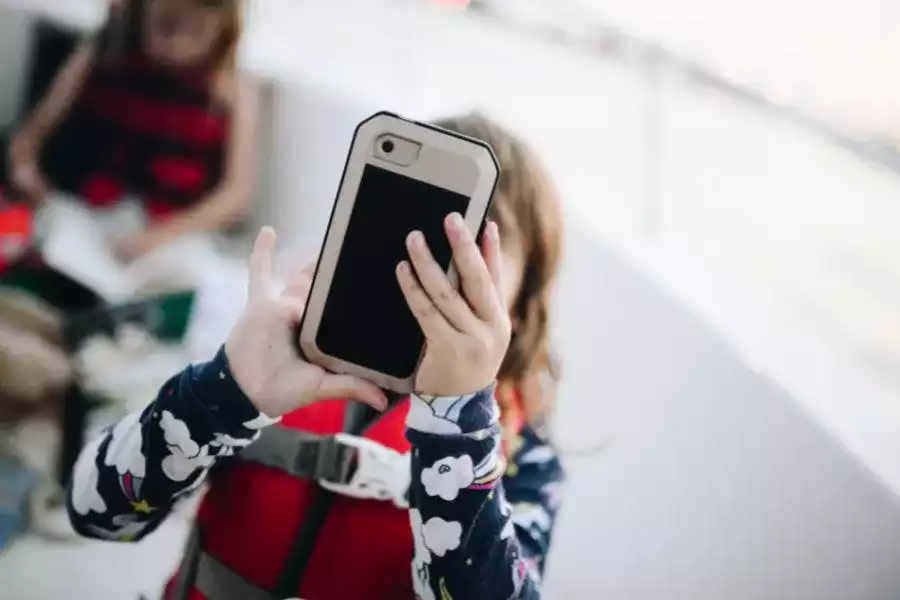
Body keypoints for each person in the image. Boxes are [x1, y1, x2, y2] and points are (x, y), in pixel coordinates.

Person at [67, 115, 565, 600]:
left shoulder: (526, 462)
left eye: (473, 262)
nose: (436, 277)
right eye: (422, 244)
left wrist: (458, 426)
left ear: (516, 315)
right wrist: (227, 392)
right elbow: (94, 509)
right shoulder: (266, 365)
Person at [7, 0, 259, 289]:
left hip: (172, 234)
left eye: (193, 31)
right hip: (90, 218)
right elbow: (30, 137)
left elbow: (236, 195)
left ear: (223, 28)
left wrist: (159, 237)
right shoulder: (105, 51)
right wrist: (27, 173)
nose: (174, 43)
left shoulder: (233, 87)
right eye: (164, 28)